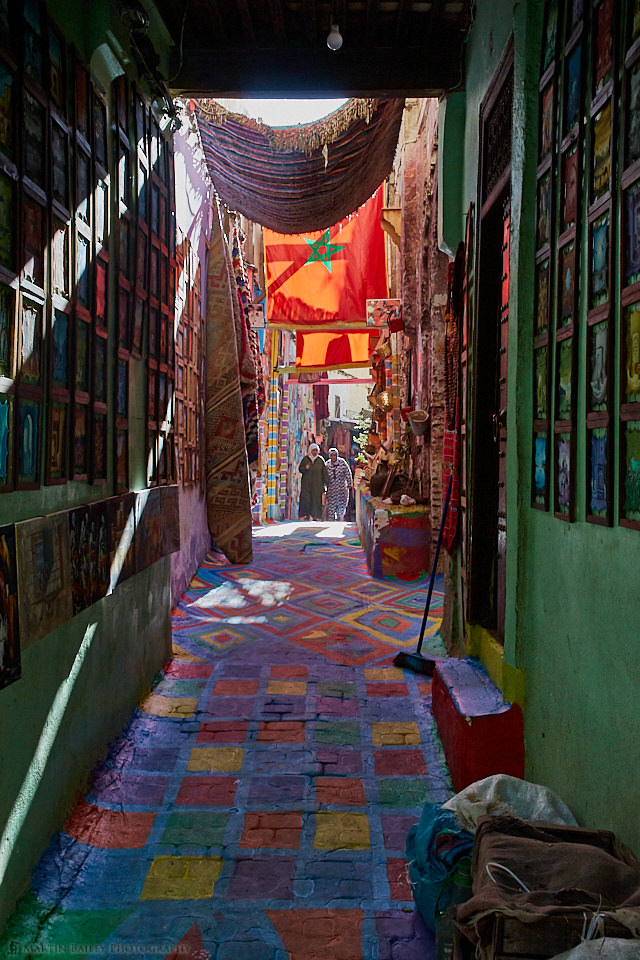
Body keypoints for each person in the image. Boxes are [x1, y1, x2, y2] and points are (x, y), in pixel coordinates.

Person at [298, 442, 328, 520]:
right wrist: (306, 468)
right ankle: (306, 515)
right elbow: (300, 469)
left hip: (317, 485)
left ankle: (317, 516)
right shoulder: (306, 459)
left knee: (316, 500)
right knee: (306, 500)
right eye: (313, 450)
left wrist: (326, 482)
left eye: (316, 450)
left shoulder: (320, 460)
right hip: (306, 485)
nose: (314, 452)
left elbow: (324, 472)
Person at [325, 447, 353, 520]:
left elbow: (348, 473)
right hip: (331, 490)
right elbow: (324, 476)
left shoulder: (342, 462)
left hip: (341, 489)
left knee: (341, 507)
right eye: (331, 455)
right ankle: (331, 524)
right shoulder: (327, 464)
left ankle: (340, 520)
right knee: (331, 508)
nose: (333, 457)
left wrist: (349, 483)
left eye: (334, 455)